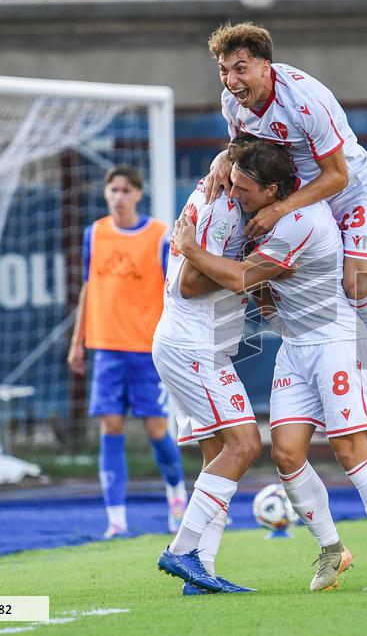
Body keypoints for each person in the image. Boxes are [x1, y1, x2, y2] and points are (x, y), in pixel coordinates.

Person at [172, 139, 367, 591]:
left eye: (245, 190)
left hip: (335, 340)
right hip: (295, 343)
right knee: (285, 454)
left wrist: (189, 248)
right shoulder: (265, 206)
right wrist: (220, 166)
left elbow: (242, 277)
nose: (237, 196)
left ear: (273, 191)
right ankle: (332, 549)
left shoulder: (301, 221)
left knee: (351, 451)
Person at [202, 21, 367, 429]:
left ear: (265, 66)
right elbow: (243, 147)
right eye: (224, 69)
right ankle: (303, 350)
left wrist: (278, 209)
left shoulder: (306, 100)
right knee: (259, 277)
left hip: (348, 190)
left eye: (240, 68)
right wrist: (224, 157)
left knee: (356, 284)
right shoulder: (231, 101)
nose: (231, 79)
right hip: (295, 193)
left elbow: (338, 175)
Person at [153, 142, 259, 595]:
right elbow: (191, 283)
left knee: (218, 456)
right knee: (246, 444)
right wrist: (247, 272)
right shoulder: (224, 207)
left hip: (196, 343)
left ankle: (202, 573)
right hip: (193, 346)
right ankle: (181, 550)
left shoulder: (218, 187)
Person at [66, 164, 185, 539]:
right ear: (106, 194)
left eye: (124, 190)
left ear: (137, 193)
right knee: (110, 425)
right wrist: (77, 341)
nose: (118, 197)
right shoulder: (95, 233)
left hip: (146, 348)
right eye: (112, 190)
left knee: (155, 428)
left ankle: (177, 497)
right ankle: (115, 519)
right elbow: (88, 287)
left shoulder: (159, 235)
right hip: (106, 347)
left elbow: (173, 292)